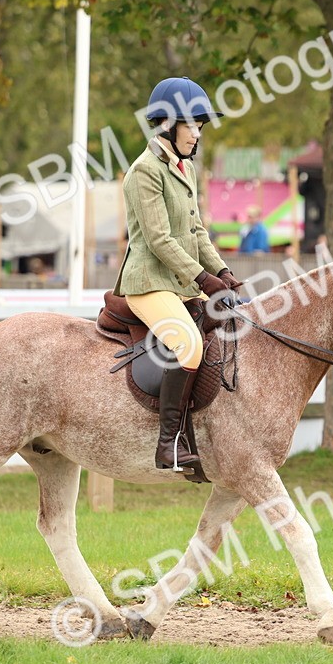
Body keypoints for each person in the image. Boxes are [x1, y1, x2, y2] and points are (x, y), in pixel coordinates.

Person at [114, 77, 242, 481]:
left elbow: (197, 232)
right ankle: (168, 444)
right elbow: (160, 240)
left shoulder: (182, 169)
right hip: (148, 283)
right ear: (168, 125)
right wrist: (204, 280)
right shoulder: (145, 171)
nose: (198, 134)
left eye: (201, 126)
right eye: (193, 125)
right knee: (187, 345)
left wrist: (224, 273)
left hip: (179, 283)